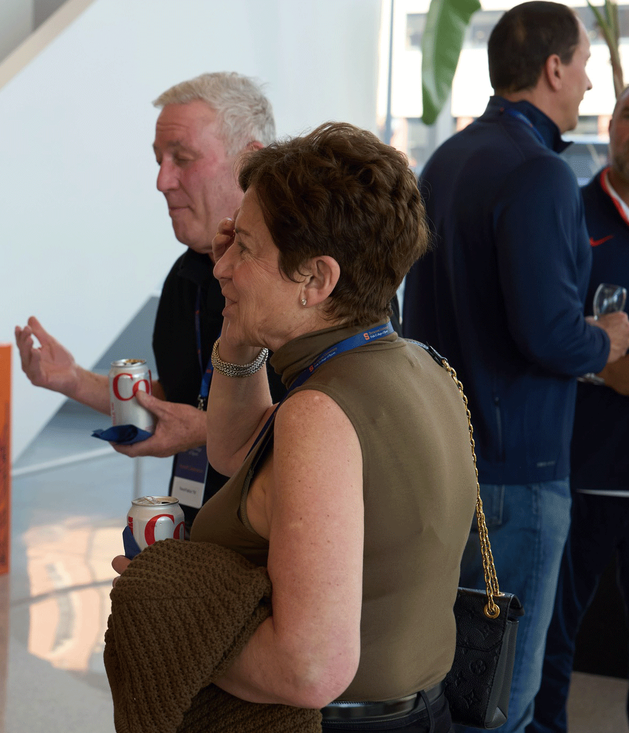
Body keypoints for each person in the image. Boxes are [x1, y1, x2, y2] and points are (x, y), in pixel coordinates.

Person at [111, 123, 475, 732]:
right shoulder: (419, 365)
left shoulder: (318, 412)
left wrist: (168, 619)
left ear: (316, 280)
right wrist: (237, 327)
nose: (221, 266)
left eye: (244, 248)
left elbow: (309, 668)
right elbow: (234, 453)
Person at [402, 4, 629, 731]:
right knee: (504, 697)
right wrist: (605, 340)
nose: (592, 83)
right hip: (516, 479)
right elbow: (549, 334)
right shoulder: (537, 171)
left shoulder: (447, 159)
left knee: (451, 683)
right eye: (585, 65)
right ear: (553, 68)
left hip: (444, 461)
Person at [15, 72, 285, 528]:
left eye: (182, 159)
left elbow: (339, 420)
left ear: (250, 162)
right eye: (159, 160)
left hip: (281, 533)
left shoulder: (302, 282)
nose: (162, 181)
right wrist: (74, 381)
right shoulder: (185, 278)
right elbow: (178, 400)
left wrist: (205, 431)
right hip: (202, 527)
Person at [529, 70, 629, 733]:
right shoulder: (567, 214)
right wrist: (599, 369)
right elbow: (528, 336)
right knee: (549, 653)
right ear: (608, 126)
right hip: (575, 477)